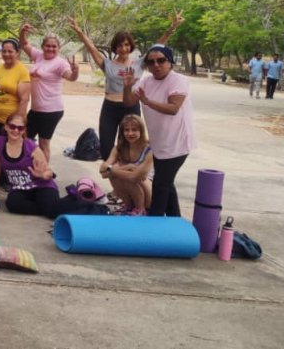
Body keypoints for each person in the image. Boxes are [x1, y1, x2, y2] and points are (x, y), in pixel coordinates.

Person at [70, 13, 182, 160]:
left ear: (131, 46)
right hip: (110, 108)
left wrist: (172, 28)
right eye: (120, 45)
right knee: (106, 148)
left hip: (131, 107)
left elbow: (157, 46)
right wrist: (79, 31)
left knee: (130, 147)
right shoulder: (107, 64)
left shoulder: (139, 64)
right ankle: (112, 170)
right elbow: (91, 48)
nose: (123, 48)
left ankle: (127, 171)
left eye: (127, 45)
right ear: (115, 48)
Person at [123, 44, 196, 217]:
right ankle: (175, 221)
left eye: (161, 60)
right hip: (160, 144)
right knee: (167, 184)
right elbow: (128, 102)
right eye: (151, 62)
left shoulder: (177, 80)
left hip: (177, 143)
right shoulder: (146, 81)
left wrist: (148, 102)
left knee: (160, 186)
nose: (156, 65)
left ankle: (155, 223)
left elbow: (173, 108)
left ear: (170, 61)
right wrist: (126, 87)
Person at [0, 114, 106, 218]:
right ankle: (49, 208)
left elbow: (49, 172)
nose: (16, 130)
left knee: (51, 211)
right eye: (12, 126)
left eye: (20, 128)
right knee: (13, 204)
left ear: (24, 130)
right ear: (6, 127)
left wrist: (42, 175)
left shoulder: (30, 146)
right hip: (20, 188)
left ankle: (88, 200)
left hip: (41, 185)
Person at [19, 23, 78, 163]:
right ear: (42, 47)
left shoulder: (60, 63)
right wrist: (22, 32)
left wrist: (75, 71)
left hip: (51, 110)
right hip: (36, 110)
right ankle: (29, 166)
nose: (51, 49)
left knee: (44, 143)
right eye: (48, 46)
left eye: (54, 46)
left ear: (59, 48)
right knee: (24, 137)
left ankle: (43, 171)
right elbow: (24, 44)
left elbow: (71, 77)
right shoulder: (39, 56)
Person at [99, 114, 153, 216]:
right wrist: (125, 168)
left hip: (149, 190)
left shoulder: (149, 148)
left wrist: (113, 170)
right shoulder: (120, 147)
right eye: (126, 130)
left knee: (124, 176)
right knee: (117, 175)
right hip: (132, 188)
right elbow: (103, 170)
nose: (130, 133)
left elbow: (136, 177)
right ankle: (129, 207)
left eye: (134, 130)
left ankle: (140, 209)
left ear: (141, 130)